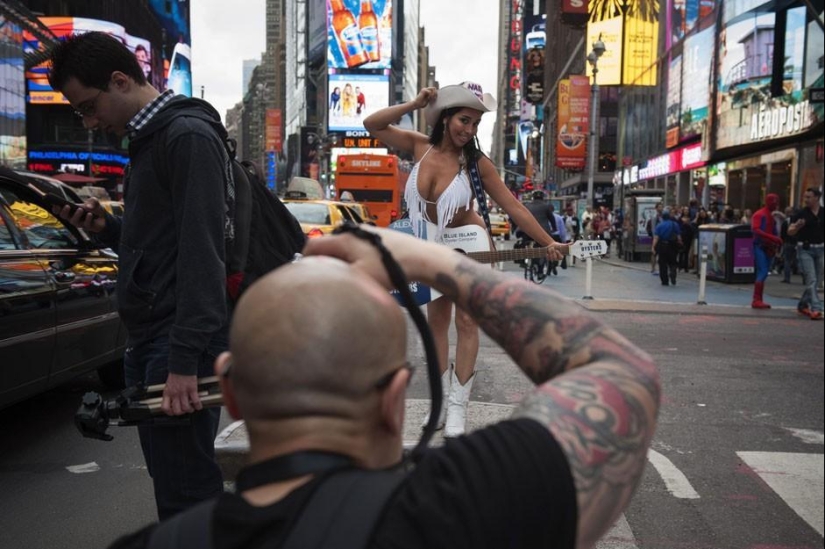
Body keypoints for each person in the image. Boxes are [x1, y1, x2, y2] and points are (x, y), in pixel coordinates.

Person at [106, 225, 661, 549]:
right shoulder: (470, 508)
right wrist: (427, 259)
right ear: (397, 399)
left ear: (230, 393)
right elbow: (623, 373)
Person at [47, 32, 230, 519]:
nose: (89, 123)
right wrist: (110, 228)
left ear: (121, 80)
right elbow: (165, 243)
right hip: (153, 336)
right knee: (175, 483)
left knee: (187, 491)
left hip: (175, 341)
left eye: (88, 107)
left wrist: (185, 360)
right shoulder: (151, 139)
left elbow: (202, 250)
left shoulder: (185, 136)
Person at [363, 83, 566, 437]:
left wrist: (550, 242)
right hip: (430, 246)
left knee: (467, 325)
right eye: (463, 120)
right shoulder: (419, 146)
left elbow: (514, 207)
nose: (468, 130)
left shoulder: (475, 163)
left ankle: (458, 409)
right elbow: (373, 124)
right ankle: (441, 404)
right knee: (435, 325)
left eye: (475, 124)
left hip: (469, 244)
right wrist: (414, 103)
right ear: (445, 117)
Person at [787, 187, 824, 320]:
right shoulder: (801, 213)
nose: (806, 199)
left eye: (809, 197)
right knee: (811, 278)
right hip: (805, 249)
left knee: (817, 280)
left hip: (821, 249)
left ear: (817, 198)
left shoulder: (823, 213)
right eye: (805, 197)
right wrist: (797, 226)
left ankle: (803, 304)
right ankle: (816, 308)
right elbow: (789, 231)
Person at [522, 191, 567, 276]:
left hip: (528, 232)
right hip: (542, 232)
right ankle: (540, 271)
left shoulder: (527, 206)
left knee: (525, 244)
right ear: (542, 197)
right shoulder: (546, 206)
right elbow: (552, 219)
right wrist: (554, 229)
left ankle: (524, 260)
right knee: (543, 251)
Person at [750, 193, 783, 309]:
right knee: (763, 271)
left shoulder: (769, 215)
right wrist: (774, 238)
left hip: (767, 247)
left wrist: (776, 241)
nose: (775, 204)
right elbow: (756, 230)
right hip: (760, 246)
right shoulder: (760, 215)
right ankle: (756, 299)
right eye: (773, 202)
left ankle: (758, 299)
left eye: (776, 202)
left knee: (763, 271)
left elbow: (772, 230)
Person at [651, 208, 682, 286]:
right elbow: (678, 237)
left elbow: (656, 237)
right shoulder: (675, 224)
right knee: (673, 261)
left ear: (662, 217)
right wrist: (680, 243)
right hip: (672, 245)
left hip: (662, 246)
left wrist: (653, 247)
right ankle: (673, 273)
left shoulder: (659, 225)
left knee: (662, 263)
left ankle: (664, 280)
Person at [779, 206, 798, 283]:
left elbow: (782, 233)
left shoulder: (786, 221)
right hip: (796, 242)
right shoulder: (798, 220)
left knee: (787, 260)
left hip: (788, 242)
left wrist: (783, 241)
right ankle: (805, 278)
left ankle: (787, 278)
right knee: (798, 260)